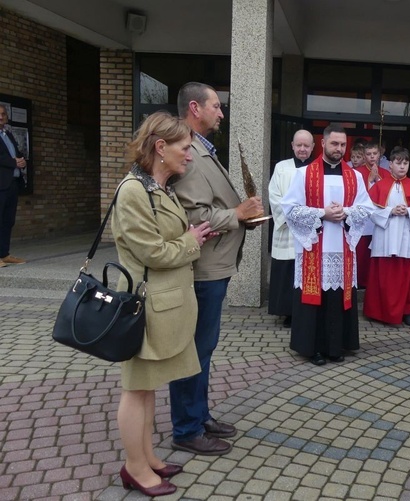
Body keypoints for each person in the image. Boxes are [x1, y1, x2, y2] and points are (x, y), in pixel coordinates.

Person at [111, 112, 216, 497]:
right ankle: (135, 468)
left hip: (166, 305)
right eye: (184, 148)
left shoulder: (158, 186)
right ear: (160, 148)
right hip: (148, 306)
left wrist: (191, 235)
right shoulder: (133, 191)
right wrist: (191, 241)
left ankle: (148, 457)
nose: (189, 156)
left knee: (148, 387)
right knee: (136, 388)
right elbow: (152, 252)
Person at [170, 82, 264, 455]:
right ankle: (186, 428)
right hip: (203, 269)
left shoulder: (202, 149)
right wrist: (237, 215)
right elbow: (195, 215)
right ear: (195, 108)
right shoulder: (188, 152)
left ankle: (199, 415)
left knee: (203, 348)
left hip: (215, 267)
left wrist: (243, 219)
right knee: (194, 349)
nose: (221, 113)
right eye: (216, 107)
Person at [281, 124, 375, 365]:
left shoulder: (354, 176)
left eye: (343, 144)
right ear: (322, 143)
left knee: (336, 300)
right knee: (317, 300)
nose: (339, 149)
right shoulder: (304, 175)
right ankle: (314, 348)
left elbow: (366, 208)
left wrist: (345, 213)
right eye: (334, 143)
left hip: (341, 249)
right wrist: (322, 213)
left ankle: (336, 346)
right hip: (315, 248)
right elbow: (290, 209)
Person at [364, 146, 410, 326]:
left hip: (405, 238)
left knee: (405, 277)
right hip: (384, 237)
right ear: (390, 164)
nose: (402, 167)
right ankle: (377, 311)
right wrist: (390, 211)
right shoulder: (380, 185)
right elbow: (369, 210)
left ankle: (406, 311)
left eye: (406, 163)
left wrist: (408, 212)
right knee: (382, 276)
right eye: (398, 163)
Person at [268, 129, 314, 328]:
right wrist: (293, 217)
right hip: (287, 230)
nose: (302, 149)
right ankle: (288, 312)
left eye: (306, 146)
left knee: (307, 271)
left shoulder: (317, 168)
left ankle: (308, 310)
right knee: (288, 271)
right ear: (292, 146)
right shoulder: (281, 168)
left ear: (313, 147)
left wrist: (308, 218)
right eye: (299, 145)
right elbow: (274, 196)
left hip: (309, 231)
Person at [353, 142, 390, 289]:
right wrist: (369, 180)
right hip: (364, 219)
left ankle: (375, 281)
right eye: (368, 154)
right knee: (362, 252)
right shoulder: (357, 173)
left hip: (379, 217)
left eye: (374, 153)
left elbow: (388, 195)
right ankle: (361, 280)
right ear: (364, 156)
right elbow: (356, 196)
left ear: (379, 154)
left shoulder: (386, 173)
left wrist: (378, 180)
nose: (372, 157)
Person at [0, 104, 27, 267]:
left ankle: (4, 254)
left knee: (8, 221)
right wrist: (13, 162)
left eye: (3, 114)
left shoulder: (7, 134)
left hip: (11, 184)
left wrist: (21, 160)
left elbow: (16, 154)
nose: (0, 117)